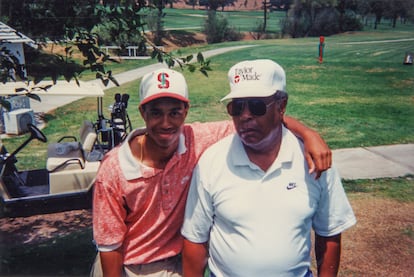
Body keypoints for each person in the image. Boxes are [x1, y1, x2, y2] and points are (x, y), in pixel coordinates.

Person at [91, 67, 332, 277]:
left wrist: (308, 133)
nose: (166, 123)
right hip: (128, 265)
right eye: (156, 112)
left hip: (176, 263)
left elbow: (258, 119)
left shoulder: (199, 139)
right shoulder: (114, 168)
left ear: (186, 111)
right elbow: (109, 246)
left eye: (174, 112)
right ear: (143, 113)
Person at [181, 59, 357, 277]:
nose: (245, 116)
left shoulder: (314, 161)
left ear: (281, 106)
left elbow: (329, 234)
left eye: (256, 105)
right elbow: (195, 239)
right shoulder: (212, 161)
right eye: (237, 107)